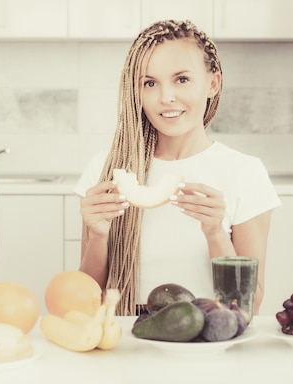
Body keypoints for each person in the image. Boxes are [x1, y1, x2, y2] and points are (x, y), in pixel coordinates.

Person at [74, 20, 281, 316]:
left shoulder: (245, 173)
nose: (165, 97)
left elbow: (251, 303)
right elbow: (84, 299)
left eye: (181, 79)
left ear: (213, 83)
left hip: (209, 340)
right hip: (127, 340)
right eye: (150, 83)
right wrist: (98, 235)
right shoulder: (105, 169)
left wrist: (215, 233)